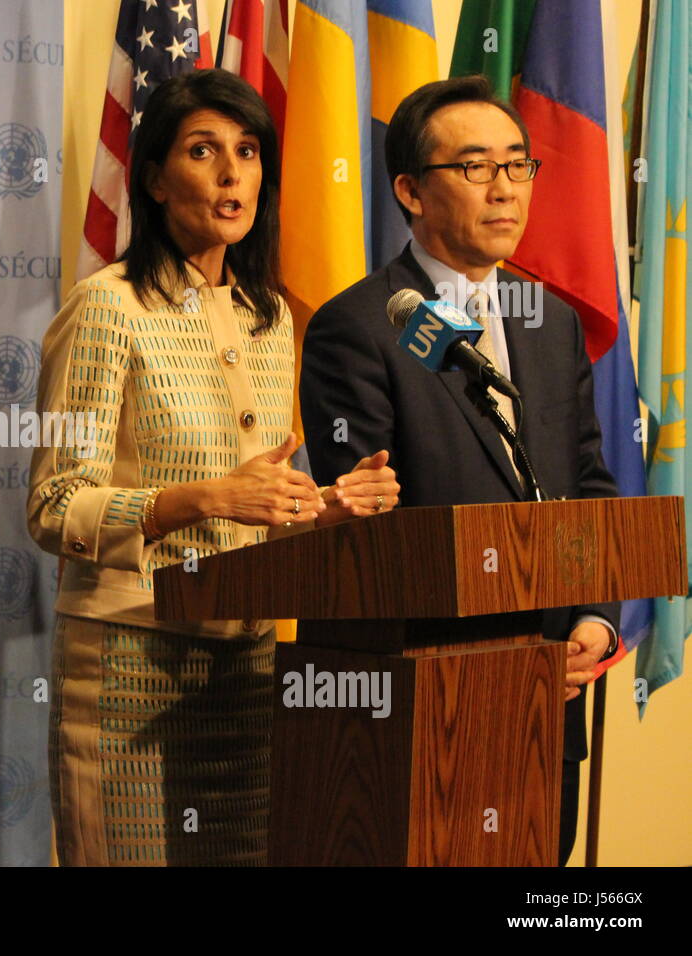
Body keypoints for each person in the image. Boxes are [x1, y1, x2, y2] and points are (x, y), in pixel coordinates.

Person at [27, 69, 399, 866]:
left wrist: (322, 507)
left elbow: (252, 507)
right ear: (156, 179)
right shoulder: (107, 307)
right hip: (131, 663)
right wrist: (203, 498)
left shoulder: (271, 320)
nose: (234, 173)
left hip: (247, 666)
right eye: (204, 151)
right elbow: (56, 506)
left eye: (248, 151)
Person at [299, 75, 620, 867]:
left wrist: (592, 620)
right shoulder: (362, 327)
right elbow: (373, 533)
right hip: (423, 711)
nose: (506, 189)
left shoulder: (552, 324)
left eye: (519, 166)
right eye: (476, 168)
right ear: (410, 190)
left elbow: (588, 486)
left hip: (548, 701)